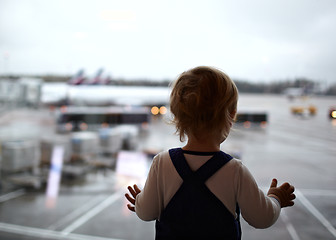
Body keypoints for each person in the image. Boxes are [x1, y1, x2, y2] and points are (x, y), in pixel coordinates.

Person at [125, 66, 295, 239]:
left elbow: (146, 213)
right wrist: (276, 199)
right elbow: (262, 218)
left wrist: (140, 201)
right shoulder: (234, 170)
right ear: (231, 117)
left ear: (177, 116)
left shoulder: (162, 163)